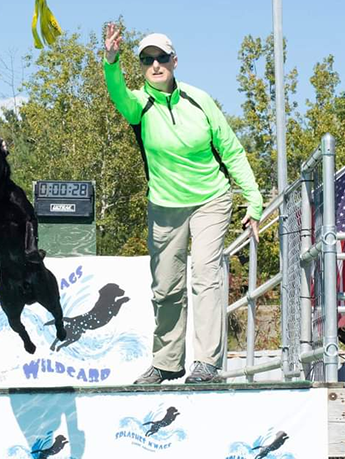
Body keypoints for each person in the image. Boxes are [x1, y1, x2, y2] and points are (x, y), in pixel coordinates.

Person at [103, 24, 262, 384]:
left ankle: (206, 363)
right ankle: (166, 363)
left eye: (161, 58)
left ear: (174, 61)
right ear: (141, 67)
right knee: (166, 287)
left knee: (206, 277)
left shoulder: (199, 100)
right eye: (147, 60)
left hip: (211, 199)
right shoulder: (138, 105)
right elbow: (118, 96)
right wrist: (111, 61)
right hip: (164, 206)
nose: (155, 65)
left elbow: (231, 150)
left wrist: (253, 200)